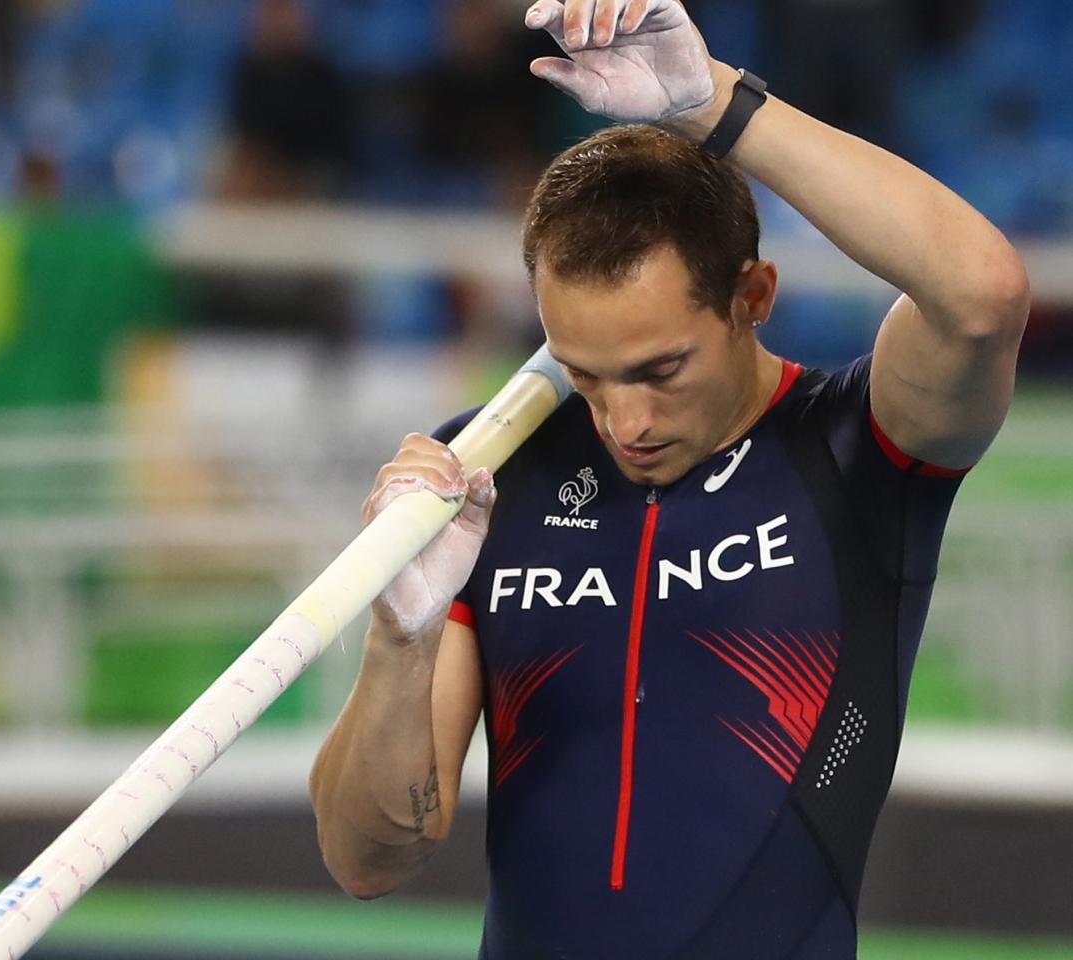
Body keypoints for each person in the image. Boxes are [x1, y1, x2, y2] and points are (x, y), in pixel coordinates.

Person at [308, 1, 1030, 958]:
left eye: (660, 370)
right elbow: (368, 860)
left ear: (754, 297)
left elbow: (981, 296)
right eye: (589, 374)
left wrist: (714, 105)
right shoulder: (490, 477)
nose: (627, 422)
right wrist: (398, 635)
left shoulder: (860, 447)